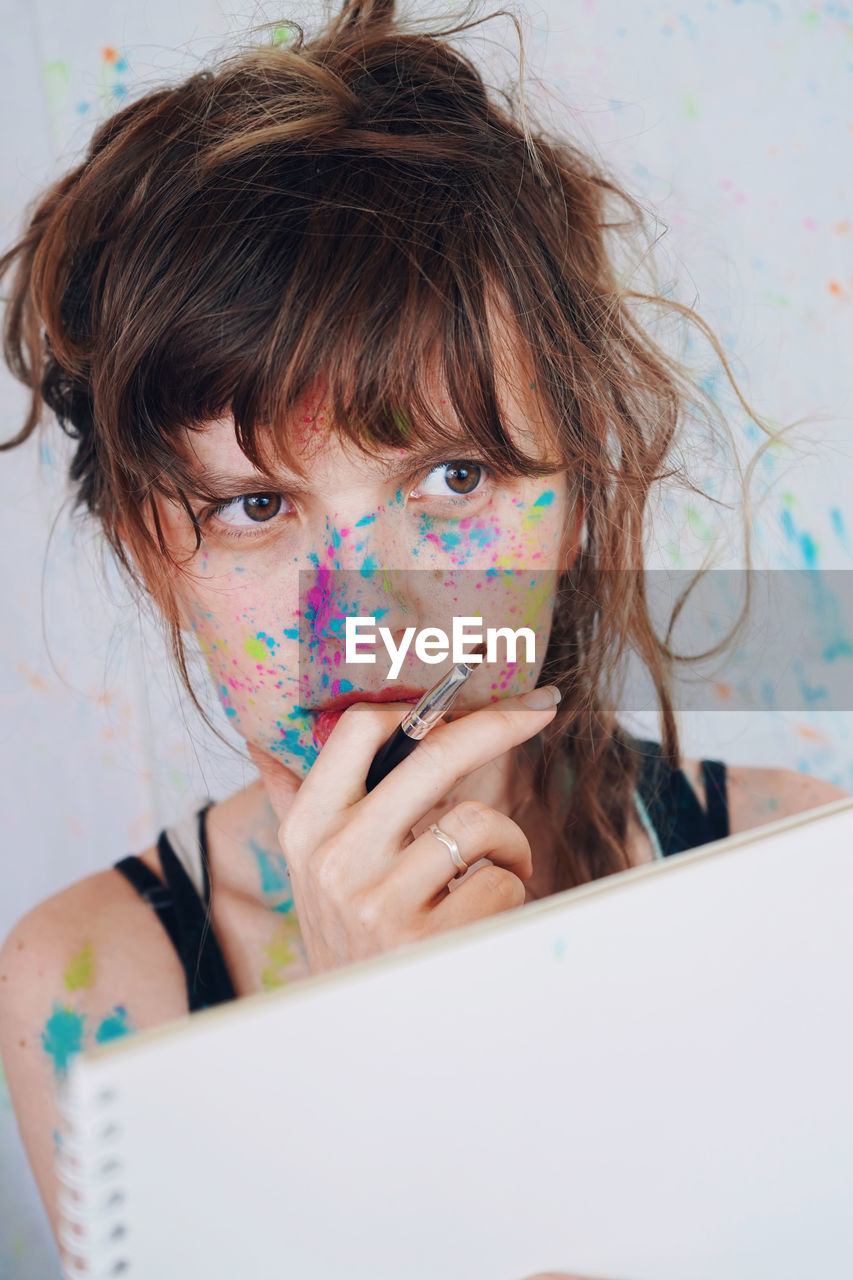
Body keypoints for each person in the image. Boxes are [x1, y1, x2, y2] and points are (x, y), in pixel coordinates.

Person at [0, 1, 846, 1273]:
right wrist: (366, 1054)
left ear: (576, 493)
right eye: (253, 506)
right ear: (148, 552)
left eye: (454, 478)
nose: (366, 619)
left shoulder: (805, 884)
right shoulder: (94, 992)